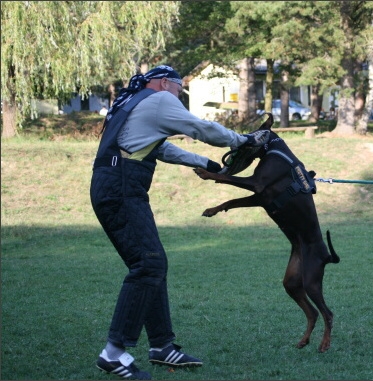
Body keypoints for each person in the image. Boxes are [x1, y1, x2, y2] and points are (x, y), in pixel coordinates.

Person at [90, 65, 269, 379]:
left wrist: (204, 162)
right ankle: (113, 353)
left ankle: (161, 346)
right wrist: (241, 140)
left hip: (113, 187)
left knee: (153, 263)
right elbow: (200, 127)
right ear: (163, 83)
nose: (179, 95)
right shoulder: (159, 99)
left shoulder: (135, 102)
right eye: (178, 88)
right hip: (121, 189)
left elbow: (159, 147)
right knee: (149, 265)